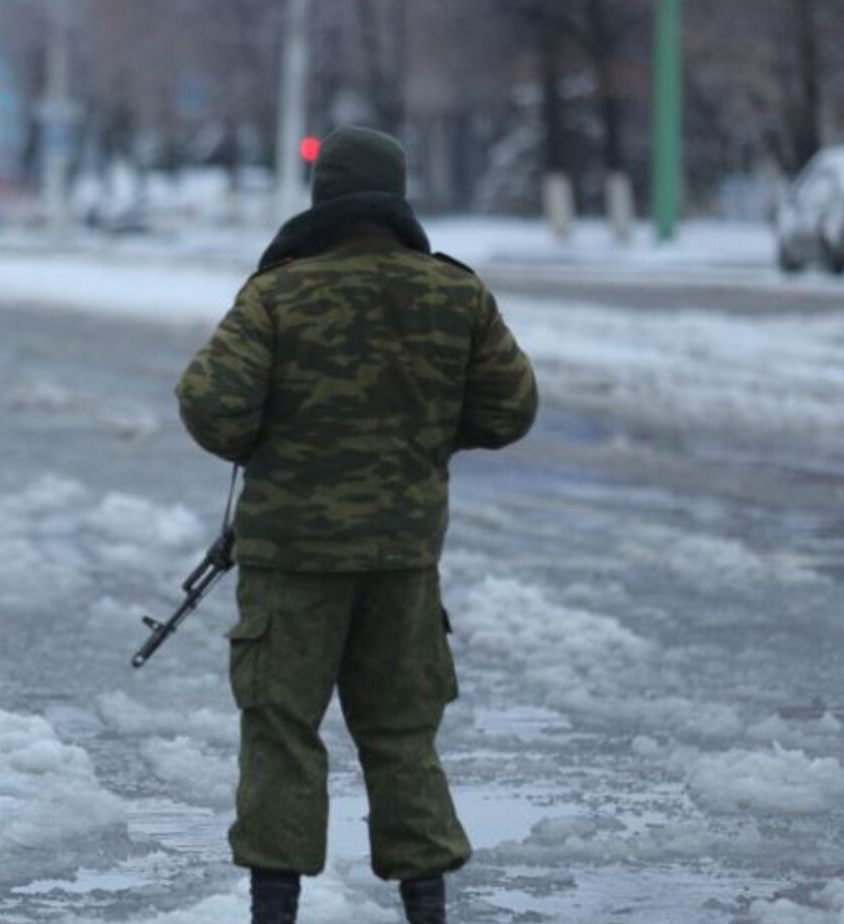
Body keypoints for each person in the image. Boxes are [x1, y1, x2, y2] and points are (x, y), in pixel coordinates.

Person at [175, 126, 538, 923]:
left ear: (322, 195)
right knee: (404, 734)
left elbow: (210, 406)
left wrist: (274, 441)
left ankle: (274, 908)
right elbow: (511, 410)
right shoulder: (456, 293)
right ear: (397, 195)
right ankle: (426, 905)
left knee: (280, 731)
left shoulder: (278, 294)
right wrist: (427, 437)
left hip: (291, 562)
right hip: (403, 561)